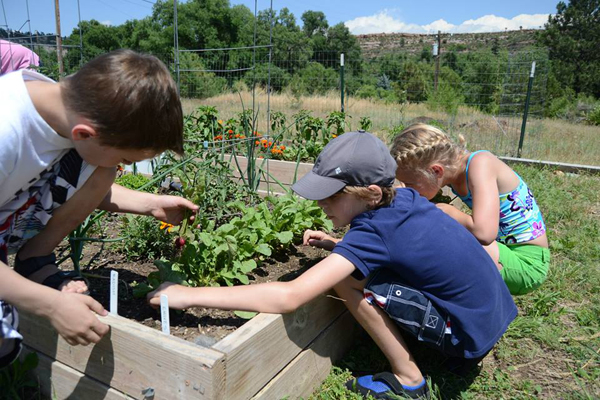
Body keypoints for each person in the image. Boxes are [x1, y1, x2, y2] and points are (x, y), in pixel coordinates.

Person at [147, 131, 517, 399]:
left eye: (330, 196)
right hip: (491, 316)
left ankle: (408, 379)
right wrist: (338, 245)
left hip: (465, 335)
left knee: (348, 281)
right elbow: (410, 248)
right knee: (364, 269)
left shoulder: (373, 232)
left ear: (370, 193)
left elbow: (290, 296)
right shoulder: (403, 199)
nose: (321, 204)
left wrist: (186, 294)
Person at [0, 49, 198, 368]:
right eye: (126, 159)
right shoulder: (6, 132)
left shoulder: (68, 107)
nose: (123, 166)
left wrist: (150, 204)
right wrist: (51, 305)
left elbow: (78, 181)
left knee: (99, 166)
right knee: (4, 340)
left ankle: (34, 260)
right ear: (85, 134)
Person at [390, 123, 550, 296]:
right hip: (502, 251)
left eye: (411, 184)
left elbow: (484, 233)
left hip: (526, 263)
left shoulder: (480, 164)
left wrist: (446, 211)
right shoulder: (453, 172)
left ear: (436, 170)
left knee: (439, 231)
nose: (407, 189)